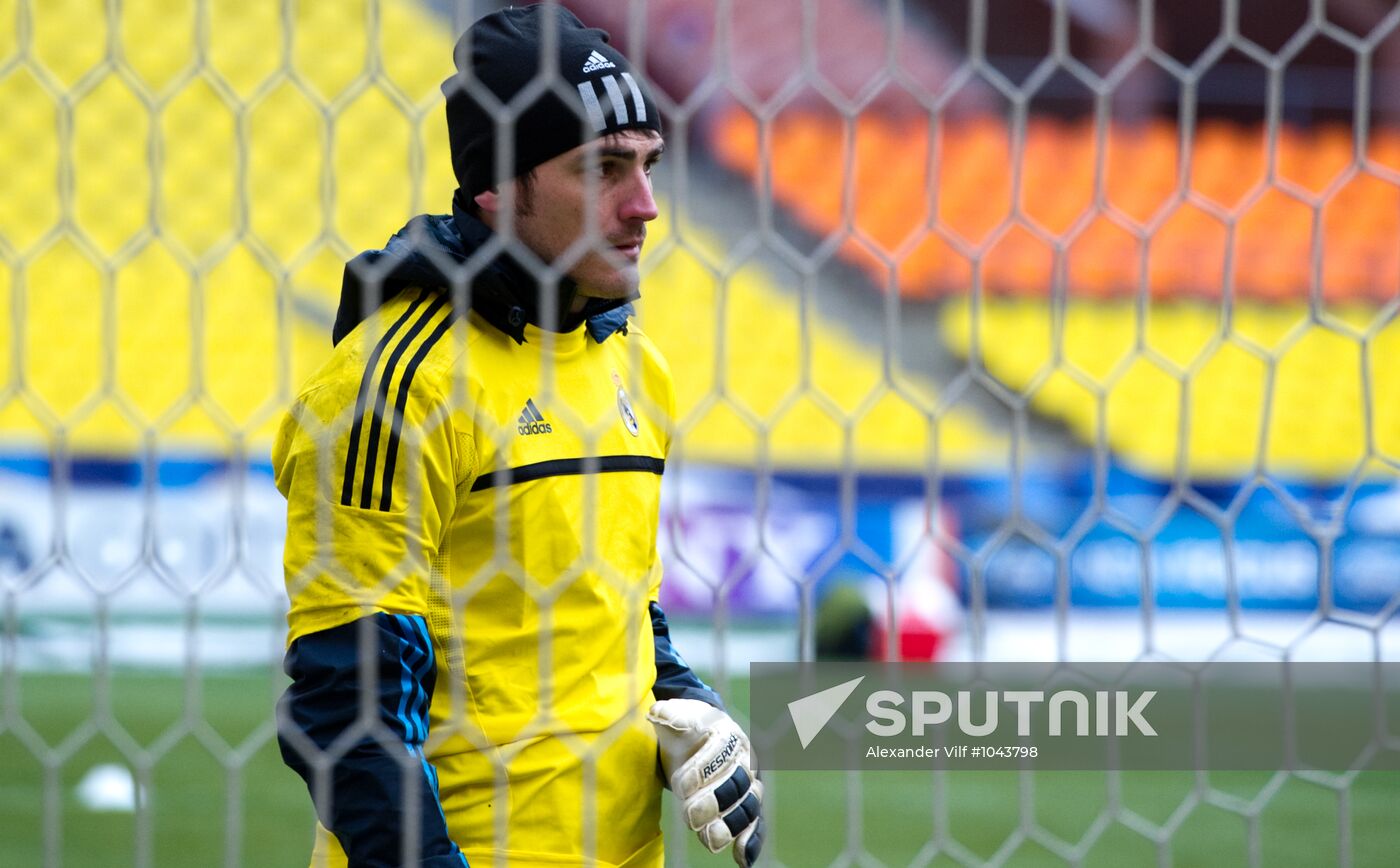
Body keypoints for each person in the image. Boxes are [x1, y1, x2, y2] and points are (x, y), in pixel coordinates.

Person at [271, 6, 763, 867]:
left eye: (649, 165)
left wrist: (692, 709)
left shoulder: (634, 367)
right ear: (497, 186)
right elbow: (347, 714)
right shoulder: (393, 387)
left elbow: (623, 616)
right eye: (604, 169)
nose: (645, 205)